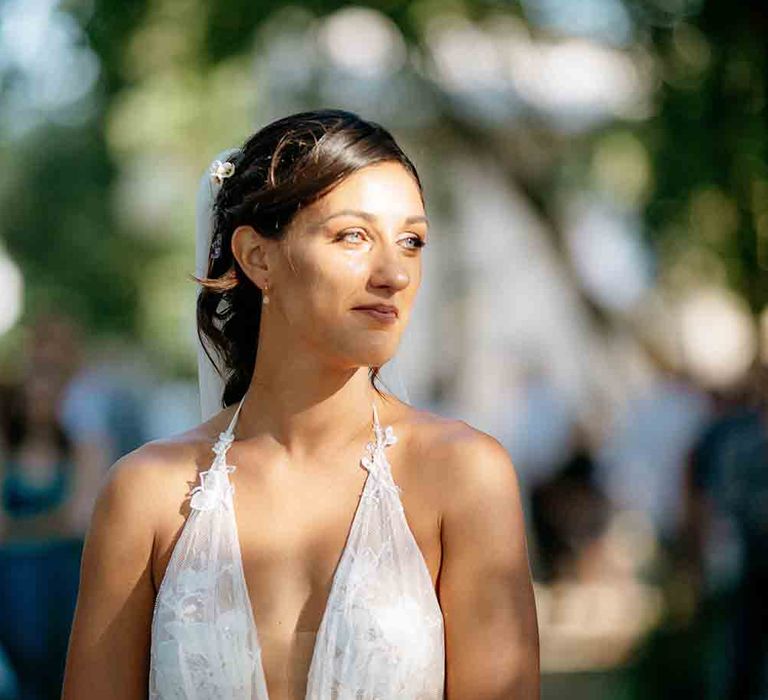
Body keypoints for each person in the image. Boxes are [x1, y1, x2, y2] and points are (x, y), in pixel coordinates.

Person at [61, 109, 539, 699]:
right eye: (353, 235)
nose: (394, 273)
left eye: (411, 241)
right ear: (258, 257)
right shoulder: (146, 495)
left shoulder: (464, 476)